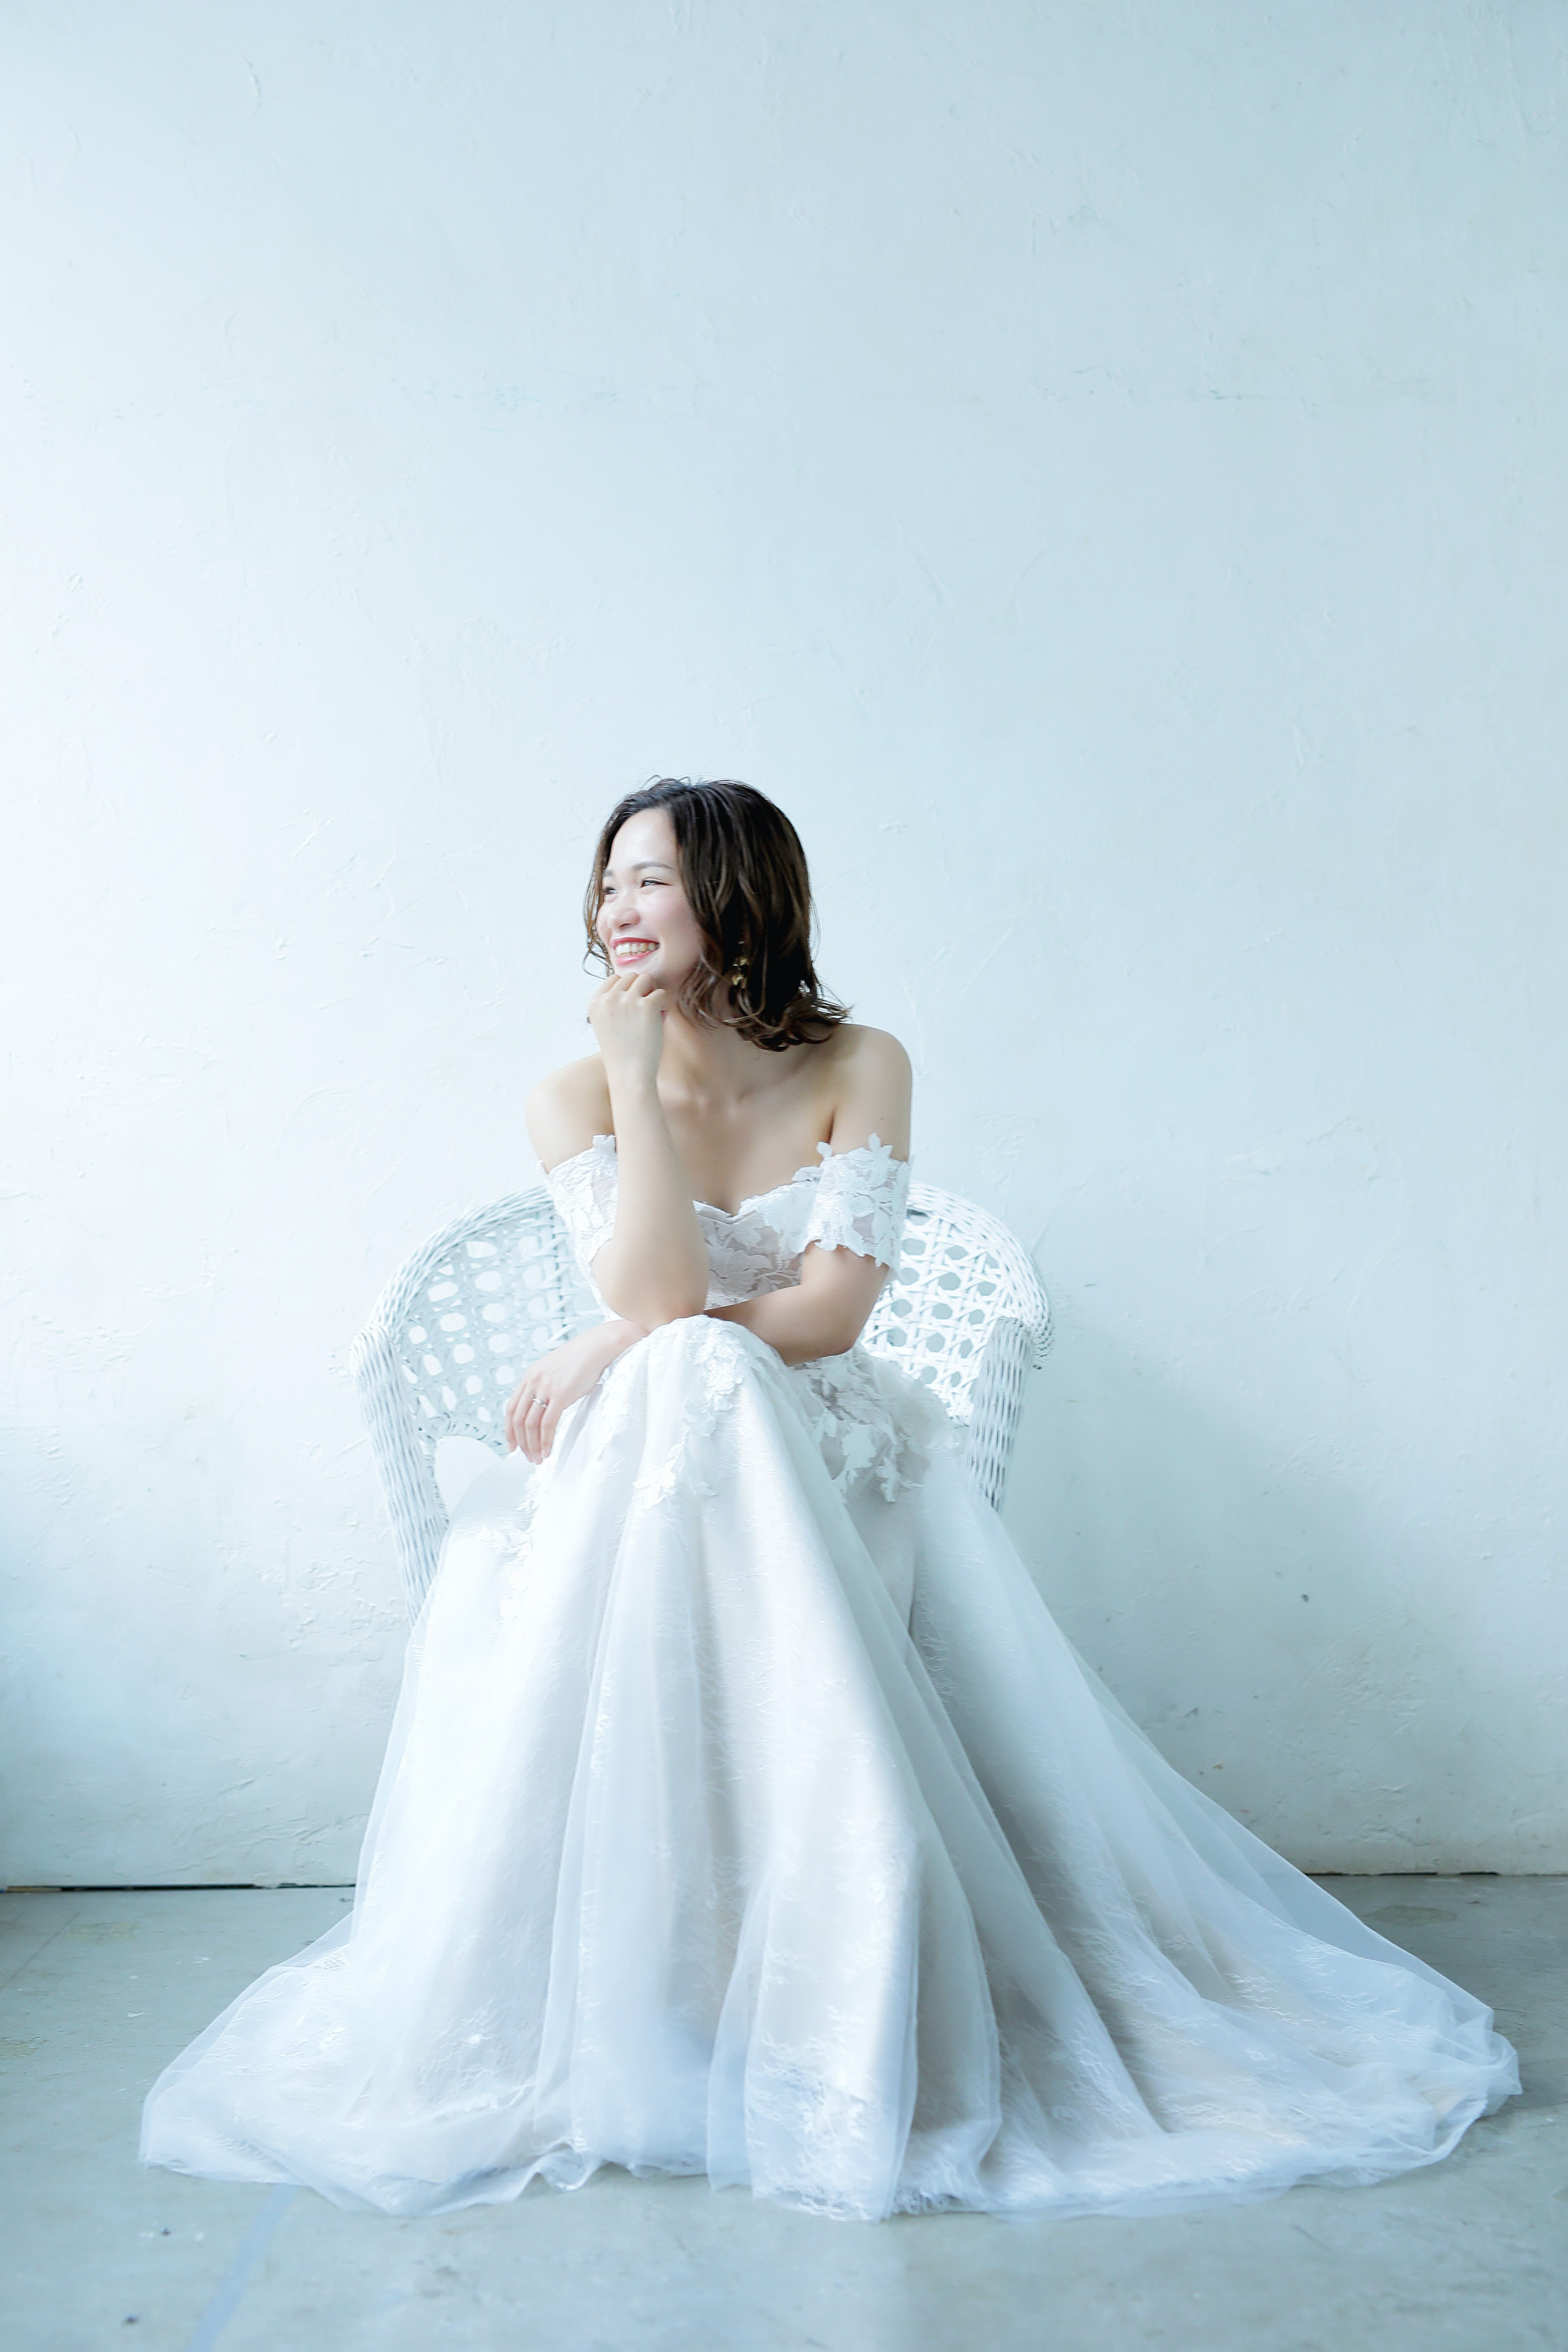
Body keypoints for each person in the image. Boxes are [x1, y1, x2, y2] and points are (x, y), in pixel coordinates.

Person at [142, 778, 1518, 2220]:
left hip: (817, 1439)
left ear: (737, 892)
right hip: (652, 1455)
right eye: (608, 882)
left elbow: (833, 1312)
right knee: (689, 1376)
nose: (616, 909)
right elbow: (660, 1285)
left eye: (650, 879)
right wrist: (632, 1098)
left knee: (696, 1371)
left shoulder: (864, 1060)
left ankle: (851, 1961)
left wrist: (623, 1343)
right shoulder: (573, 1090)